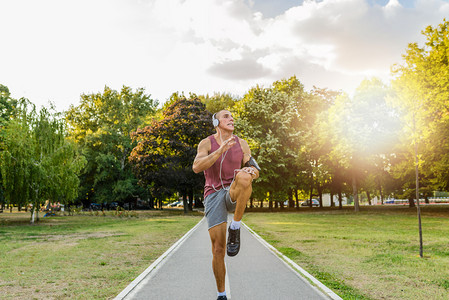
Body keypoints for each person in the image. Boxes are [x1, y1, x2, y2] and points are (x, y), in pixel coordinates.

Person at [192, 110, 260, 300]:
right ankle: (221, 295)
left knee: (245, 176)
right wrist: (220, 150)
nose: (231, 119)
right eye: (226, 116)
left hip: (233, 190)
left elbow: (255, 168)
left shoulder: (242, 143)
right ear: (216, 122)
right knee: (218, 249)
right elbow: (197, 167)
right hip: (213, 194)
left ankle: (236, 226)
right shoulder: (206, 143)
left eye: (232, 116)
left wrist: (251, 171)